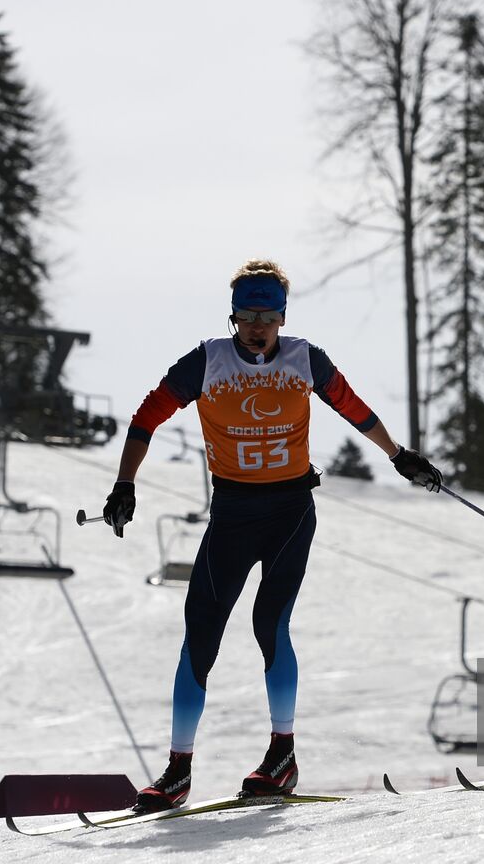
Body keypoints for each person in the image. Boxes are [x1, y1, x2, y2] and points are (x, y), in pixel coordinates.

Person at [101, 259, 441, 811]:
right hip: (233, 513)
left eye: (268, 314)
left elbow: (354, 409)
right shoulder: (205, 361)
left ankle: (282, 756)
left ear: (282, 316)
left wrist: (399, 457)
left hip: (289, 512)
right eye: (247, 313)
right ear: (233, 315)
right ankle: (177, 770)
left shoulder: (304, 358)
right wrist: (124, 485)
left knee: (269, 624)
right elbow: (146, 417)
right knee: (200, 635)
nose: (258, 325)